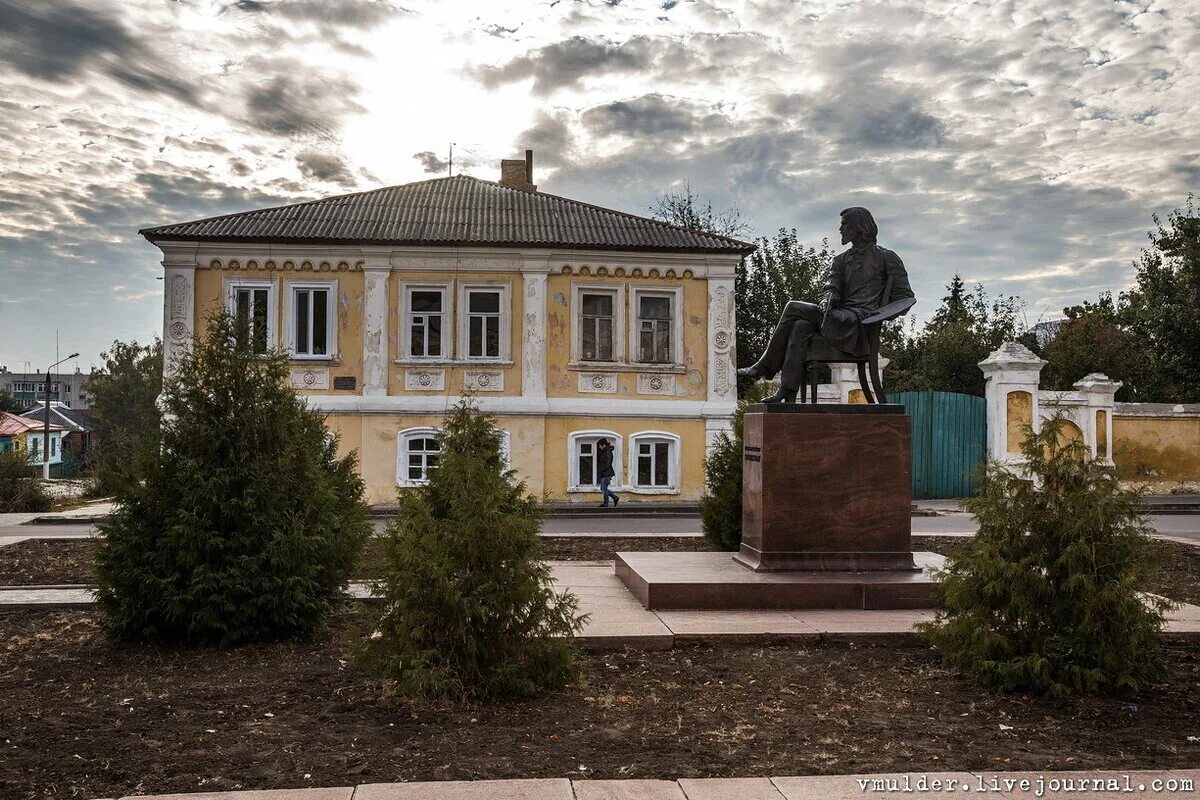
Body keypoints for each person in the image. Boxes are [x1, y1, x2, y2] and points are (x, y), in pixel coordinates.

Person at [737, 206, 914, 403]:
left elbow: (905, 297)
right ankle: (787, 391)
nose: (841, 229)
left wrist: (879, 316)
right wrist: (827, 298)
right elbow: (832, 286)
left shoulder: (885, 257)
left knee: (793, 306)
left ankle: (764, 366)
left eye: (845, 224)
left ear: (860, 226)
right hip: (840, 318)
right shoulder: (840, 260)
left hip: (860, 322)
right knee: (800, 326)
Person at [596, 437, 619, 507]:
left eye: (600, 445)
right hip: (605, 473)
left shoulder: (607, 452)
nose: (599, 447)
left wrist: (601, 470)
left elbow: (608, 463)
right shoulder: (604, 452)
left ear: (604, 445)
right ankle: (615, 497)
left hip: (607, 473)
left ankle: (606, 503)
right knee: (602, 488)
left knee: (604, 488)